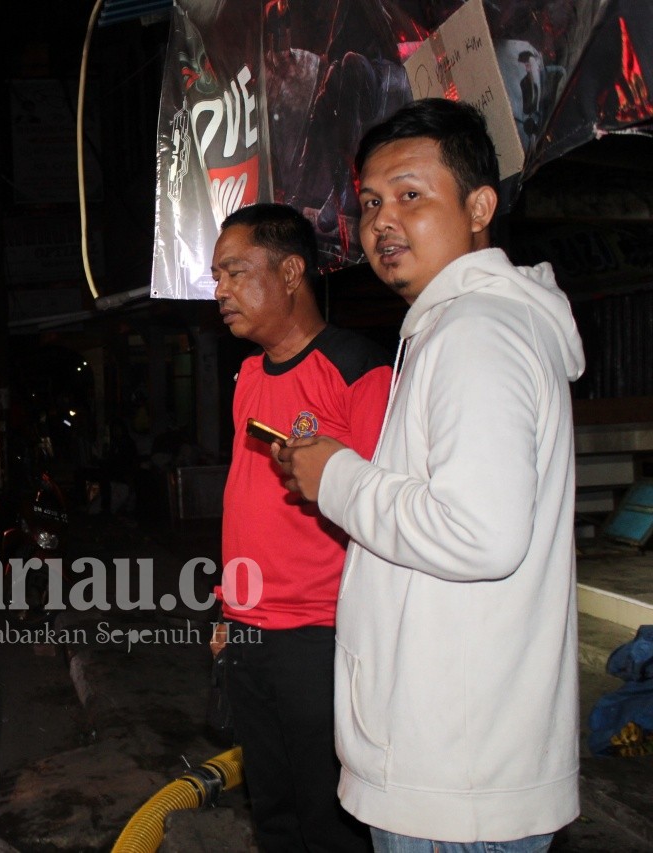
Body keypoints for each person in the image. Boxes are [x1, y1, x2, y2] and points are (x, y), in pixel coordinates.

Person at [277, 98, 585, 850]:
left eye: (411, 195)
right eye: (372, 202)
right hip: (455, 765)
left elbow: (479, 533)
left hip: (454, 780)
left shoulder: (477, 331)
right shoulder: (459, 326)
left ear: (480, 205)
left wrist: (336, 477)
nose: (383, 220)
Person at [208, 202, 391, 851]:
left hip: (322, 636)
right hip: (251, 631)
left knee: (330, 814)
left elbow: (387, 513)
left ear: (290, 271)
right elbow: (247, 500)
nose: (220, 290)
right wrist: (230, 610)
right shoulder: (249, 375)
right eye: (216, 276)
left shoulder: (358, 368)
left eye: (233, 272)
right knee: (273, 806)